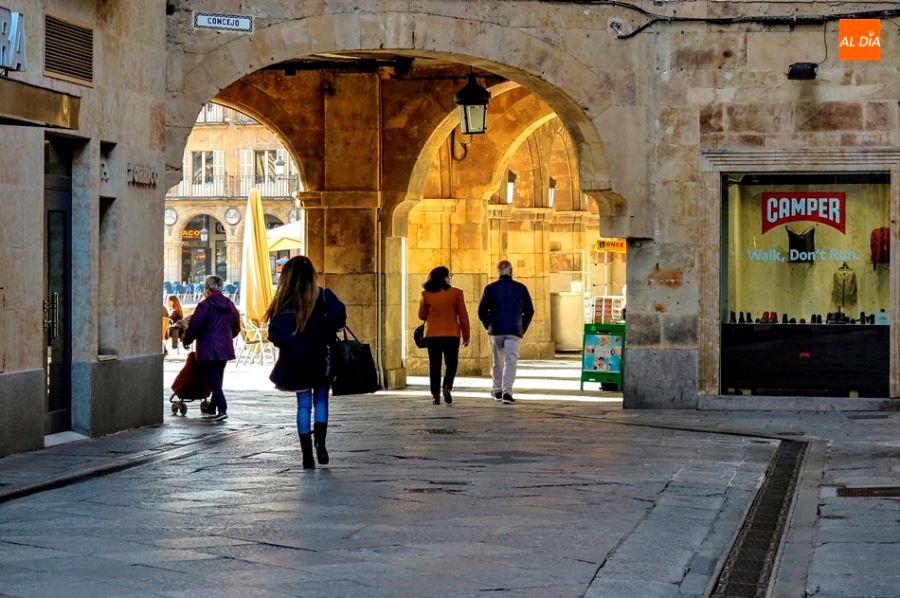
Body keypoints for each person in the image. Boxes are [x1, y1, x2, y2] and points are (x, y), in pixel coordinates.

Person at [266, 256, 346, 469]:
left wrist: (293, 344)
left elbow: (274, 334)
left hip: (296, 361)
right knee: (321, 400)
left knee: (303, 405)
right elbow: (340, 319)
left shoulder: (283, 302)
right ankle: (321, 443)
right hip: (322, 359)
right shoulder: (325, 296)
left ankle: (306, 455)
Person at [182, 275, 241, 422]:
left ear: (207, 290)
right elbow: (236, 325)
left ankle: (222, 409)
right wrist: (228, 337)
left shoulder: (205, 305)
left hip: (208, 347)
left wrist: (187, 339)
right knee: (218, 377)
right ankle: (212, 407)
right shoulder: (230, 304)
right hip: (224, 347)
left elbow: (195, 325)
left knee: (214, 379)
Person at [477, 260, 534, 405]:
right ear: (511, 271)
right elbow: (529, 311)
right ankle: (507, 392)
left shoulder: (490, 288)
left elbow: (481, 311)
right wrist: (522, 327)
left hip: (495, 330)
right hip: (513, 329)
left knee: (497, 361)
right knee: (510, 361)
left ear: (498, 272)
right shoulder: (521, 288)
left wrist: (488, 324)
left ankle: (497, 390)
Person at [418, 266, 470, 405]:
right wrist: (466, 335)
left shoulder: (426, 294)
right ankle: (447, 386)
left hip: (432, 335)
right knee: (451, 363)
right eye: (449, 276)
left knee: (434, 364)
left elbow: (421, 315)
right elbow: (463, 316)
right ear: (445, 278)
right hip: (451, 334)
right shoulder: (457, 293)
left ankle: (435, 395)